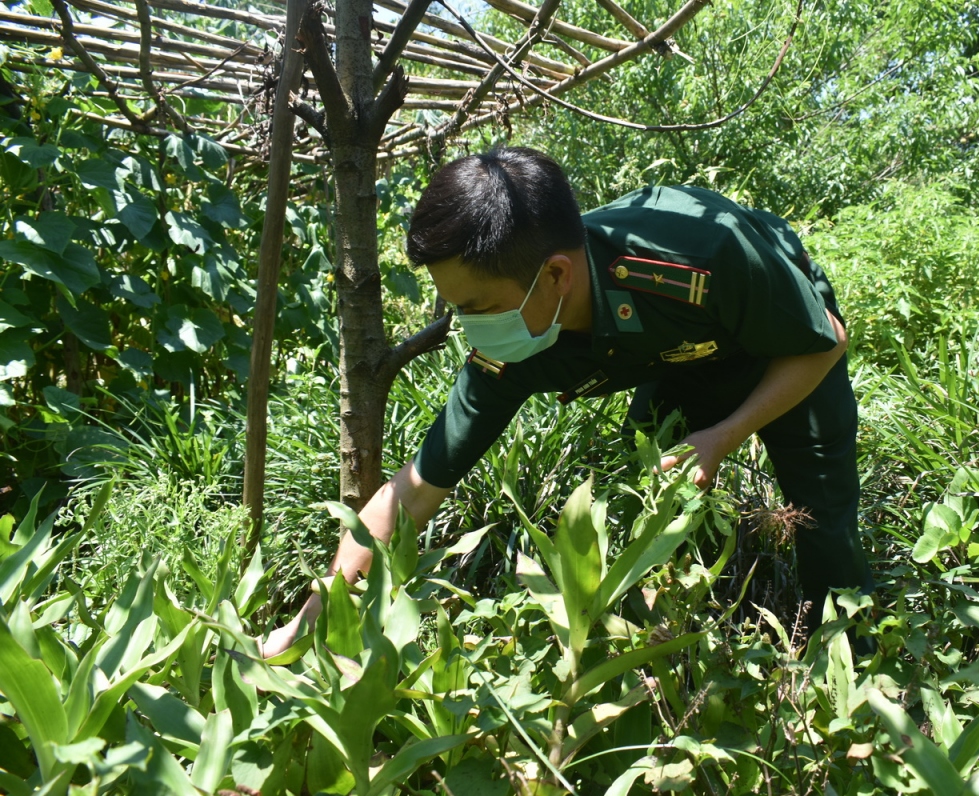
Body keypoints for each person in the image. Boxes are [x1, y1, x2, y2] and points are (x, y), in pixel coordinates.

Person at [261, 147, 872, 658]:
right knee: (651, 506)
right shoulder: (516, 339)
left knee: (824, 517)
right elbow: (416, 488)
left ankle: (850, 669)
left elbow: (825, 344)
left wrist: (726, 434)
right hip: (676, 358)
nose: (464, 327)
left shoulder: (703, 257)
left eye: (474, 307)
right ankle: (675, 652)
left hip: (783, 344)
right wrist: (311, 620)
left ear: (556, 276)